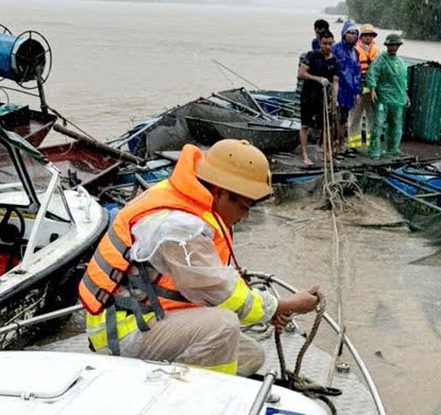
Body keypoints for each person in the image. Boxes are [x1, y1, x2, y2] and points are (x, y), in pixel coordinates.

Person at [79, 140, 321, 376]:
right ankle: (208, 404)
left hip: (151, 315)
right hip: (123, 333)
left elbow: (211, 282)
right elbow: (221, 292)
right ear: (222, 192)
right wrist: (284, 305)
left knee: (250, 355)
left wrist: (269, 313)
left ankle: (177, 381)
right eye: (245, 207)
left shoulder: (189, 201)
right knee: (224, 325)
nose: (245, 216)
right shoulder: (177, 227)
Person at [298, 30, 339, 166]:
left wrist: (334, 99)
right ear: (319, 43)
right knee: (305, 125)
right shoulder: (312, 56)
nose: (327, 46)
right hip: (308, 95)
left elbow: (335, 81)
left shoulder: (335, 60)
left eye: (330, 43)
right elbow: (301, 74)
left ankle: (326, 152)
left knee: (326, 125)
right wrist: (317, 79)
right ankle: (304, 154)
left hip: (324, 97)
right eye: (324, 43)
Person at [366, 34, 409, 160]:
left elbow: (403, 80)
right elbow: (373, 73)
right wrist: (372, 88)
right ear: (387, 46)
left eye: (396, 45)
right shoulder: (380, 59)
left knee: (396, 125)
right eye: (391, 45)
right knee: (378, 124)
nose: (394, 47)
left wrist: (405, 95)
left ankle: (393, 148)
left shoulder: (401, 62)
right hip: (383, 98)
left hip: (397, 98)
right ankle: (374, 150)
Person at [332, 21, 362, 155]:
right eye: (349, 32)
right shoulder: (336, 49)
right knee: (334, 118)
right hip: (337, 89)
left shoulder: (355, 52)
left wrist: (357, 91)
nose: (351, 35)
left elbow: (357, 72)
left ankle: (341, 144)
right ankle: (333, 145)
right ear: (343, 34)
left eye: (354, 33)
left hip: (349, 91)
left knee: (343, 119)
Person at [348, 24, 380, 150]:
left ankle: (371, 143)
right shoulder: (354, 50)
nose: (368, 38)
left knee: (372, 116)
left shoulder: (376, 50)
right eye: (366, 35)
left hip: (372, 89)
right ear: (361, 36)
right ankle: (353, 144)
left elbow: (378, 69)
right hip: (358, 88)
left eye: (370, 35)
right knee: (355, 116)